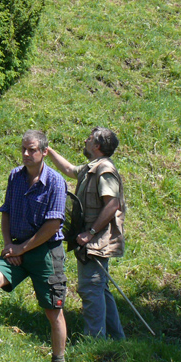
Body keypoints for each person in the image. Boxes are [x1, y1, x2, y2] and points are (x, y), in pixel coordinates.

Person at [0, 130, 68, 362]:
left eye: (31, 150)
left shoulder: (56, 182)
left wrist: (22, 248)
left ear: (44, 152)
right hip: (17, 249)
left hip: (46, 254)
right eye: (23, 149)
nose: (25, 154)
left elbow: (52, 225)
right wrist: (10, 245)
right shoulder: (15, 177)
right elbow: (7, 212)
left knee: (53, 310)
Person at [47, 127, 127, 340]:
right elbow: (70, 169)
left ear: (97, 146)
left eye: (89, 139)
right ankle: (117, 339)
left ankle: (94, 342)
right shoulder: (92, 168)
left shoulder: (105, 170)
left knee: (90, 289)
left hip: (96, 242)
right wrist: (49, 150)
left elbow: (112, 204)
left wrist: (90, 233)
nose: (85, 140)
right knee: (100, 289)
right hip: (91, 240)